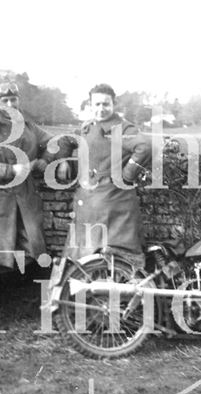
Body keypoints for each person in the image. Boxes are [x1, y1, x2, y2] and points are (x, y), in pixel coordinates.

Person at [0, 81, 73, 330]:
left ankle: (34, 299)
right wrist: (10, 169)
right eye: (4, 101)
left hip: (24, 199)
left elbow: (57, 141)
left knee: (34, 248)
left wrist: (55, 160)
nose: (10, 105)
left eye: (14, 100)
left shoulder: (27, 127)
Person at [58, 83, 152, 262]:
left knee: (111, 258)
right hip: (89, 204)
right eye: (97, 104)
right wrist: (63, 161)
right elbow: (66, 140)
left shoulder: (122, 128)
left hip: (112, 204)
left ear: (113, 105)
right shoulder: (89, 126)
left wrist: (127, 175)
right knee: (85, 260)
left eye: (106, 104)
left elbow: (145, 147)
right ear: (91, 105)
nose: (101, 109)